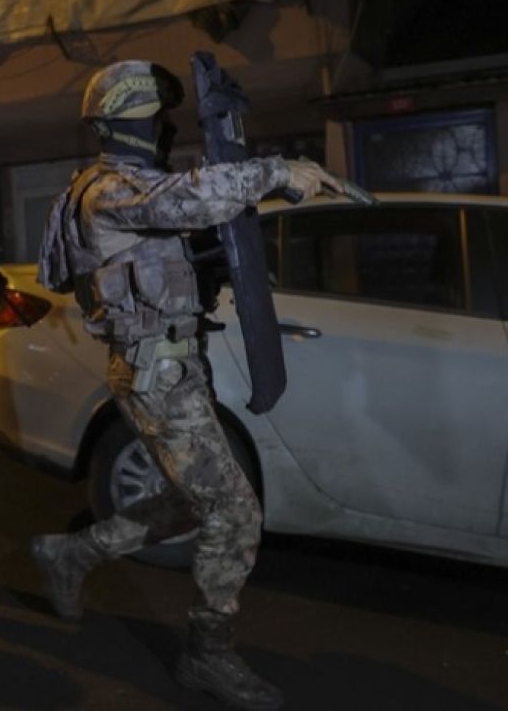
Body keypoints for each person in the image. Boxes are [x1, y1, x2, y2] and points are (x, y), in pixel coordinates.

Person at [31, 60, 343, 711]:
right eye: (158, 118)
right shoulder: (109, 190)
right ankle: (208, 654)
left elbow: (188, 222)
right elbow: (187, 198)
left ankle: (72, 553)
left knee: (192, 502)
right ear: (125, 123)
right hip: (155, 375)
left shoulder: (136, 186)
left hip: (175, 367)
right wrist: (276, 171)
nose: (168, 128)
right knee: (234, 511)